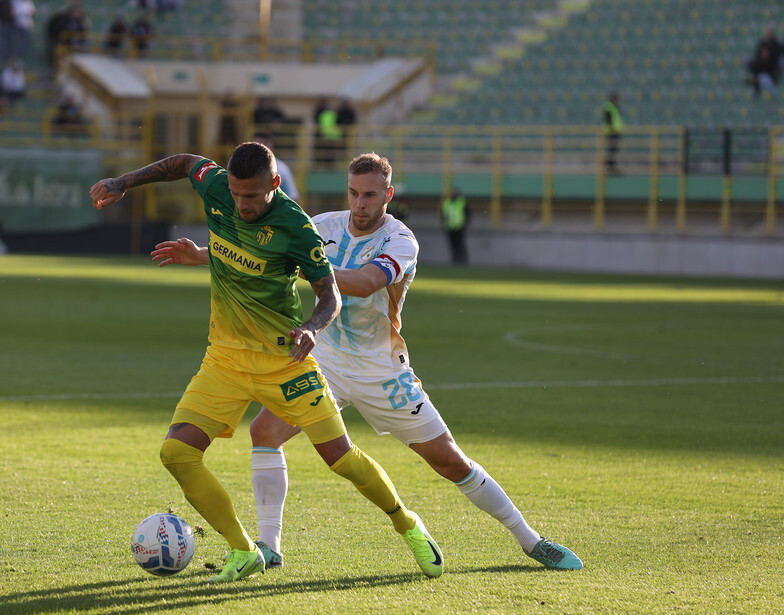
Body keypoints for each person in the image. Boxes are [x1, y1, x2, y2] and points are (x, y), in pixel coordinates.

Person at [153, 152, 582, 572]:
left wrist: (303, 265)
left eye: (371, 195)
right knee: (265, 432)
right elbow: (256, 253)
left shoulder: (400, 240)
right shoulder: (321, 226)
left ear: (388, 195)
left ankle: (531, 541)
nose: (360, 204)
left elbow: (364, 283)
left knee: (450, 461)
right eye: (355, 193)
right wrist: (204, 255)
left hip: (381, 369)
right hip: (321, 356)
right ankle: (269, 546)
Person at [96, 143, 445, 584]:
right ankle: (244, 550)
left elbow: (330, 295)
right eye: (237, 195)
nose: (242, 205)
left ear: (275, 185)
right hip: (224, 358)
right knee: (177, 453)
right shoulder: (218, 186)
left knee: (340, 458)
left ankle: (406, 523)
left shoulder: (296, 227)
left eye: (253, 197)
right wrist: (123, 182)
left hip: (284, 362)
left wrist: (313, 329)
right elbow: (183, 163)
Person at [252, 132, 298, 200]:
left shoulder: (281, 169)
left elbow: (293, 197)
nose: (260, 149)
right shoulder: (243, 167)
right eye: (257, 145)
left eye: (265, 144)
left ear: (271, 146)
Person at [441, 187, 470, 266]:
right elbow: (443, 214)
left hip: (460, 227)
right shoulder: (447, 202)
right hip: (450, 227)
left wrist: (464, 224)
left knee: (460, 245)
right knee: (453, 245)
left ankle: (463, 261)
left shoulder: (462, 202)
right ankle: (455, 260)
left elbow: (468, 214)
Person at [601, 91, 623, 173]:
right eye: (616, 98)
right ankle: (609, 167)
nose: (617, 100)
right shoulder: (609, 106)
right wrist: (612, 130)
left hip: (615, 131)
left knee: (613, 150)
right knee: (612, 150)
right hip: (612, 132)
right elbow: (608, 119)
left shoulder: (614, 106)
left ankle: (611, 166)